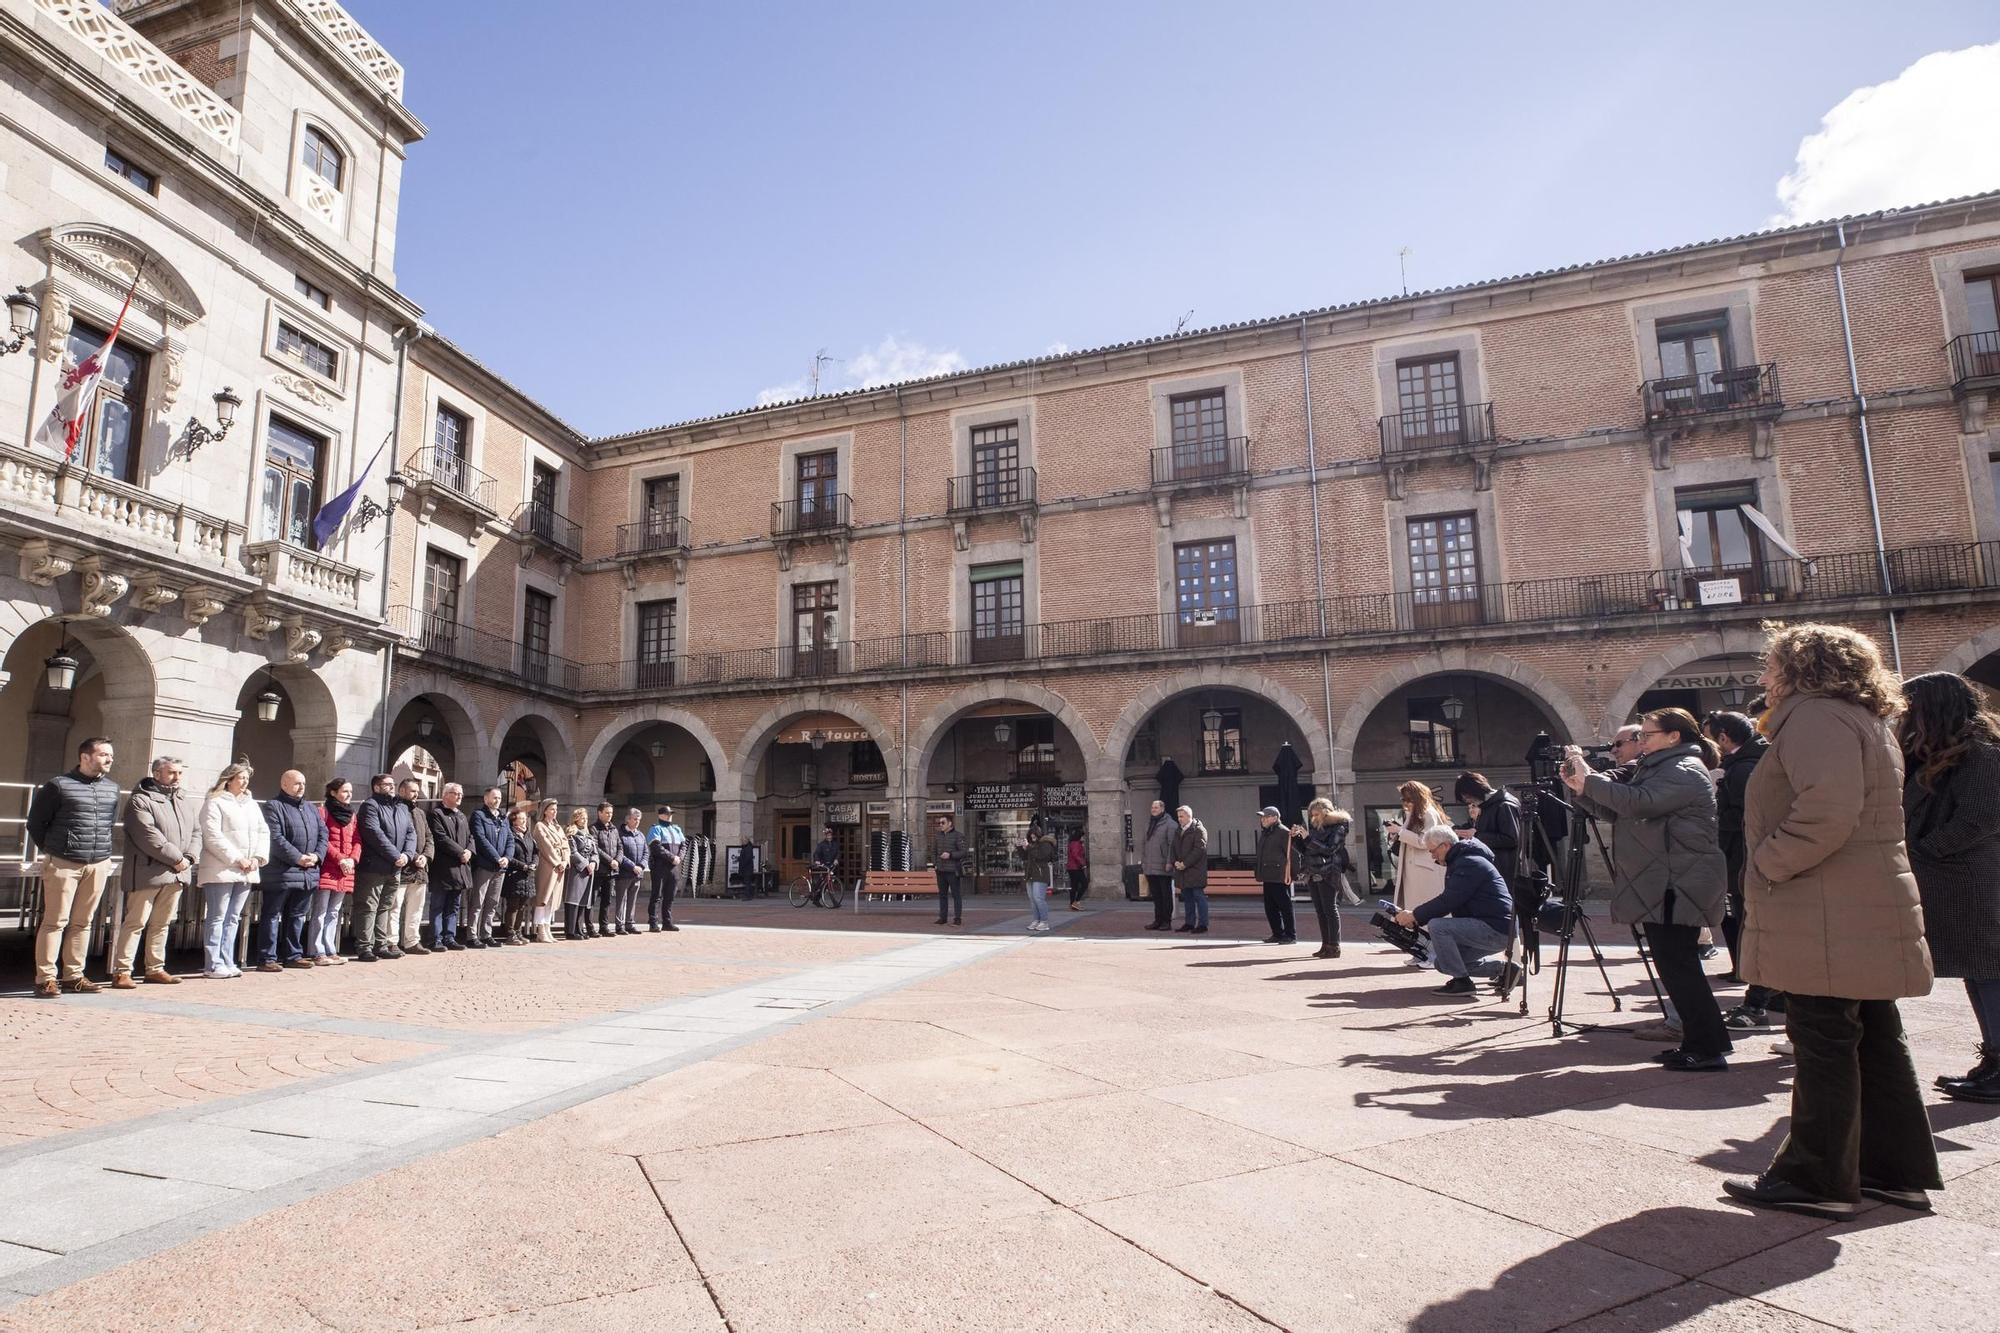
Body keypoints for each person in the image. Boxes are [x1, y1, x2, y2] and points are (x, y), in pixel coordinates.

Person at [1725, 623, 1939, 1220]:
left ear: (1801, 668)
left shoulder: (1817, 718)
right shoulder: (1861, 717)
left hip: (1825, 905)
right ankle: (1892, 1171)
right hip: (1855, 902)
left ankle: (1817, 1179)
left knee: (1823, 1039)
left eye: (1771, 665)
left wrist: (1766, 864)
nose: (1765, 676)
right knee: (1873, 1035)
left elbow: (1827, 810)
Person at [1566, 707, 1731, 1071]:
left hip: (1677, 880)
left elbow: (1641, 802)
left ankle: (1707, 1048)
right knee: (1675, 966)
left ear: (1673, 737)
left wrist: (1591, 781)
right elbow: (1626, 811)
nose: (1640, 740)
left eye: (1647, 734)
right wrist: (1583, 791)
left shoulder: (1682, 770)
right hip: (1667, 878)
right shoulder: (1661, 767)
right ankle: (1701, 1041)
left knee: (1680, 966)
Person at [1898, 672, 2000, 1104]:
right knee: (1979, 974)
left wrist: (1925, 851)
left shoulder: (1981, 754)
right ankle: (1993, 1059)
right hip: (1955, 879)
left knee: (1990, 972)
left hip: (1973, 879)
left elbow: (1979, 818)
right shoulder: (1942, 752)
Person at [26, 736, 121, 997]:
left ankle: (74, 976)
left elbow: (109, 824)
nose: (109, 759)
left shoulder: (112, 789)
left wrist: (101, 856)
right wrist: (55, 850)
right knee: (55, 922)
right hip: (64, 863)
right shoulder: (58, 786)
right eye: (103, 754)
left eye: (110, 755)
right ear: (85, 757)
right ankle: (45, 978)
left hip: (98, 862)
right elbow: (35, 823)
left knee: (83, 922)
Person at [1708, 711, 1779, 1021]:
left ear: (1724, 738)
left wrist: (1716, 818)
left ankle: (1759, 1000)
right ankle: (1767, 995)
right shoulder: (1753, 761)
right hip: (1747, 858)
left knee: (1753, 927)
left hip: (1744, 859)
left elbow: (1747, 819)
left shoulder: (1742, 769)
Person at [1393, 827, 1514, 997]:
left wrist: (1415, 915)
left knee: (1438, 926)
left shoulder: (1468, 863)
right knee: (1443, 963)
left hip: (1495, 928)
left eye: (1433, 850)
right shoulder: (1464, 861)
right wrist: (1416, 917)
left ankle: (1462, 982)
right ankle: (1506, 970)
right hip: (1494, 927)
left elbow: (1449, 901)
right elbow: (1451, 900)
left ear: (1445, 846)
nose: (1432, 856)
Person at [117, 755, 196, 988]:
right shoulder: (140, 800)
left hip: (177, 873)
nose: (177, 777)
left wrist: (189, 857)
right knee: (135, 922)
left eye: (180, 773)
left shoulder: (184, 800)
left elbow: (197, 833)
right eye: (172, 772)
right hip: (147, 872)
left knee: (162, 923)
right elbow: (148, 836)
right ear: (157, 773)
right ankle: (122, 971)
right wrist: (177, 858)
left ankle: (155, 968)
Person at [197, 762, 270, 979]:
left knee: (234, 918)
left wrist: (257, 857)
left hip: (247, 869)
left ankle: (227, 959)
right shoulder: (215, 802)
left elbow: (262, 831)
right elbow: (212, 835)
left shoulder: (251, 804)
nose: (245, 781)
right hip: (221, 868)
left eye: (247, 777)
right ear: (228, 780)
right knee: (217, 916)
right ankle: (213, 963)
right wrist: (237, 858)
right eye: (240, 777)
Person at [254, 769, 325, 972]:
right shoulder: (273, 807)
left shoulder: (311, 808)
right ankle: (267, 958)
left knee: (298, 915)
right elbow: (275, 838)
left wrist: (317, 856)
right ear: (284, 784)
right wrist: (298, 858)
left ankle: (293, 955)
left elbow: (323, 834)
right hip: (281, 873)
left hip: (307, 873)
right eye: (296, 783)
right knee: (272, 914)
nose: (301, 787)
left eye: (303, 783)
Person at [354, 772, 415, 962]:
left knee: (386, 906)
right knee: (368, 906)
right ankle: (365, 946)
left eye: (393, 784)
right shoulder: (370, 806)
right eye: (387, 784)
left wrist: (407, 855)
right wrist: (395, 855)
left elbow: (410, 833)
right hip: (374, 866)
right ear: (376, 787)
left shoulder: (402, 808)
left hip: (395, 867)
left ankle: (381, 945)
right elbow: (374, 833)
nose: (392, 787)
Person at [1290, 798, 1352, 959]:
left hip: (1329, 871)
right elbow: (1307, 850)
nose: (1313, 817)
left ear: (1325, 813)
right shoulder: (1316, 826)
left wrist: (1308, 838)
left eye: (1316, 814)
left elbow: (1330, 849)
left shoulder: (1339, 826)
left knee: (1330, 909)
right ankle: (1326, 945)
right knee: (1320, 911)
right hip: (1312, 871)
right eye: (1311, 815)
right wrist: (1297, 838)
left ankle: (1334, 946)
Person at [313, 778, 359, 964]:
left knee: (334, 912)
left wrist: (352, 859)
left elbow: (357, 840)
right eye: (345, 791)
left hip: (345, 869)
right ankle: (317, 951)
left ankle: (330, 948)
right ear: (333, 792)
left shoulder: (352, 815)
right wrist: (340, 859)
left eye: (350, 792)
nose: (348, 795)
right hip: (328, 868)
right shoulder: (322, 812)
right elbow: (323, 840)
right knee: (320, 911)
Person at [1386, 781, 1449, 910]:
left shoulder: (1429, 814)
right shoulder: (1413, 815)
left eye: (1409, 799)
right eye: (1403, 799)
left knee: (1423, 908)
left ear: (1418, 797)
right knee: (1413, 908)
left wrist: (1399, 831)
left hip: (1424, 870)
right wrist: (1396, 834)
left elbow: (1425, 841)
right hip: (1413, 869)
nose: (1406, 803)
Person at [427, 782, 473, 952]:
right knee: (438, 905)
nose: (459, 796)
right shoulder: (435, 814)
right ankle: (435, 938)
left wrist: (469, 851)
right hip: (443, 868)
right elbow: (440, 838)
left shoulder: (461, 815)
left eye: (461, 793)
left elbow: (470, 837)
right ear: (445, 794)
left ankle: (450, 937)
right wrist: (460, 852)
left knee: (454, 905)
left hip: (460, 868)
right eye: (456, 793)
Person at [466, 786, 511, 948]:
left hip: (500, 868)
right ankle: (472, 936)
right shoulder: (479, 815)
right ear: (486, 799)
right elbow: (480, 839)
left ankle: (486, 934)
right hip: (484, 865)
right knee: (477, 902)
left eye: (499, 797)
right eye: (494, 797)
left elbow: (510, 841)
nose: (497, 800)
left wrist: (507, 857)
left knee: (492, 902)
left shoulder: (503, 818)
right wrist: (497, 857)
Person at [394, 777, 434, 954]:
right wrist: (414, 856)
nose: (416, 794)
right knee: (395, 907)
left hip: (420, 869)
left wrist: (426, 856)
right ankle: (391, 941)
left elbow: (429, 837)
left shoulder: (420, 813)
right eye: (412, 791)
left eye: (417, 791)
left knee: (416, 908)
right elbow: (397, 838)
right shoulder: (395, 810)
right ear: (401, 791)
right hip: (403, 867)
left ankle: (412, 941)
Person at [1254, 806, 1296, 944]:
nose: (1262, 819)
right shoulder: (1266, 832)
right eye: (1262, 817)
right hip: (1268, 874)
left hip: (1279, 875)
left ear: (1275, 818)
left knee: (1284, 906)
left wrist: (1292, 874)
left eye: (1266, 817)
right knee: (1270, 907)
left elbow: (1292, 855)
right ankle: (1277, 933)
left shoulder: (1284, 832)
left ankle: (1290, 935)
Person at [531, 798, 569, 942]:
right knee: (543, 898)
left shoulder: (558, 827)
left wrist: (565, 861)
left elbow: (565, 845)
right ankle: (540, 929)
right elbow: (545, 846)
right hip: (548, 866)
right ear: (545, 810)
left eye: (556, 809)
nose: (555, 812)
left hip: (560, 867)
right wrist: (558, 862)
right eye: (552, 809)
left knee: (553, 899)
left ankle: (547, 927)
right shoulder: (540, 826)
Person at [645, 804, 686, 931]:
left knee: (670, 895)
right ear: (660, 815)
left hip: (674, 867)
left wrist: (679, 857)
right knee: (656, 895)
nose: (670, 816)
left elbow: (684, 845)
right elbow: (656, 847)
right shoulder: (655, 829)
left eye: (671, 814)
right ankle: (653, 922)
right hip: (660, 866)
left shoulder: (676, 829)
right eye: (667, 814)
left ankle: (667, 922)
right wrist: (672, 857)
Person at [499, 807, 536, 946]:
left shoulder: (528, 835)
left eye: (525, 819)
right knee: (513, 906)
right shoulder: (510, 834)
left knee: (522, 906)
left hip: (527, 876)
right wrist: (523, 866)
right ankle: (510, 934)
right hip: (514, 875)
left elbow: (535, 852)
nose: (524, 821)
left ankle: (518, 931)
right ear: (514, 821)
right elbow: (509, 855)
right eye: (521, 819)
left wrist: (534, 863)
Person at [1172, 804, 1210, 935]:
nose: (1179, 819)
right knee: (1187, 898)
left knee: (1199, 897)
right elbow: (1173, 848)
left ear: (1189, 816)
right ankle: (1189, 923)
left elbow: (1199, 850)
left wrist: (1185, 863)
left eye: (1181, 816)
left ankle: (1203, 924)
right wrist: (1175, 862)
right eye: (1178, 817)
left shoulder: (1199, 830)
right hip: (1183, 871)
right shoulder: (1178, 830)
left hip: (1195, 870)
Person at [563, 806, 600, 940]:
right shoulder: (571, 833)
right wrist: (585, 864)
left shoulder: (588, 834)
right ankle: (570, 931)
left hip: (588, 872)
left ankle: (579, 928)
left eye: (586, 818)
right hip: (576, 871)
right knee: (573, 900)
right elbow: (572, 852)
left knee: (583, 901)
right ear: (576, 818)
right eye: (581, 818)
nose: (584, 820)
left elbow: (595, 853)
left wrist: (593, 863)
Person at [1140, 799, 1176, 931]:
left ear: (1162, 808)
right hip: (1150, 866)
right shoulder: (1149, 823)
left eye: (1156, 807)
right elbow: (1144, 844)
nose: (1153, 809)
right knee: (1156, 896)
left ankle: (1167, 921)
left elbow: (1172, 846)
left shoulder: (1170, 824)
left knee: (1165, 895)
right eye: (1152, 807)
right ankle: (1158, 920)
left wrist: (1169, 862)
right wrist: (1143, 862)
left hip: (1163, 866)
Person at [591, 802, 622, 937]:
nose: (610, 815)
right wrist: (611, 861)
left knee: (607, 900)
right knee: (592, 900)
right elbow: (596, 848)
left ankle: (604, 927)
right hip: (599, 870)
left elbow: (620, 847)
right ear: (599, 813)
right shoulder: (593, 828)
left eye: (611, 813)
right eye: (607, 813)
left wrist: (617, 861)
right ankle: (590, 927)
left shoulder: (614, 829)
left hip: (611, 871)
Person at [1020, 821, 1058, 932]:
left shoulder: (1045, 844)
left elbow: (1041, 856)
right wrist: (1021, 848)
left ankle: (1044, 922)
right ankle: (1036, 920)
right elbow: (1025, 858)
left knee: (1039, 898)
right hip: (1030, 874)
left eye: (1034, 834)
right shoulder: (1031, 845)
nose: (1032, 836)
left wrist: (1029, 848)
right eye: (1030, 835)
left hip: (1040, 875)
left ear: (1038, 834)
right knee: (1032, 899)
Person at [614, 808, 647, 934]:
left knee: (632, 900)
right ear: (628, 819)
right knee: (621, 899)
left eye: (639, 819)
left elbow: (646, 852)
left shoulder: (640, 835)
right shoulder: (620, 834)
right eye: (635, 819)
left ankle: (630, 923)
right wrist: (633, 866)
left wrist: (641, 866)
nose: (637, 821)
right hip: (624, 873)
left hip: (637, 874)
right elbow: (619, 853)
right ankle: (619, 925)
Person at [931, 813, 965, 926]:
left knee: (956, 895)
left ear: (950, 823)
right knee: (942, 895)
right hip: (940, 870)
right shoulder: (937, 836)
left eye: (943, 822)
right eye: (939, 823)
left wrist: (950, 855)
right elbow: (933, 851)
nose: (940, 825)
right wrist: (935, 864)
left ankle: (957, 918)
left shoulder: (958, 835)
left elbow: (963, 852)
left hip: (952, 871)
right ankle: (943, 917)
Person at [1066, 830, 1089, 909]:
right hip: (1076, 867)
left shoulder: (1072, 843)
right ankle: (1076, 901)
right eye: (1082, 836)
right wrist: (1083, 863)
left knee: (1074, 886)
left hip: (1072, 867)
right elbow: (1076, 855)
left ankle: (1072, 903)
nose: (1084, 838)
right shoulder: (1076, 844)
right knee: (1084, 884)